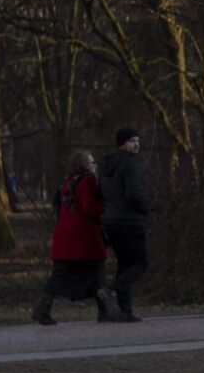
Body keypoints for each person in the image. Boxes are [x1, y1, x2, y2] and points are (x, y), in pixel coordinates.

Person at [30, 152, 124, 325]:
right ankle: (104, 313)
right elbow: (88, 207)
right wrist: (105, 210)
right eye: (91, 161)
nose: (94, 164)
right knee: (97, 273)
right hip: (84, 237)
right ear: (83, 164)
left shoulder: (67, 182)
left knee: (59, 276)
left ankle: (43, 308)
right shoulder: (88, 180)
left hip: (64, 238)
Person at [98, 127, 152, 321]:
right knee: (140, 262)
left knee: (125, 264)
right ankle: (113, 289)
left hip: (111, 221)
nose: (136, 144)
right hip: (130, 220)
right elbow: (134, 194)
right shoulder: (131, 164)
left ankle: (124, 310)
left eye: (137, 140)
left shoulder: (104, 165)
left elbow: (100, 194)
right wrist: (146, 208)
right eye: (132, 141)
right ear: (122, 143)